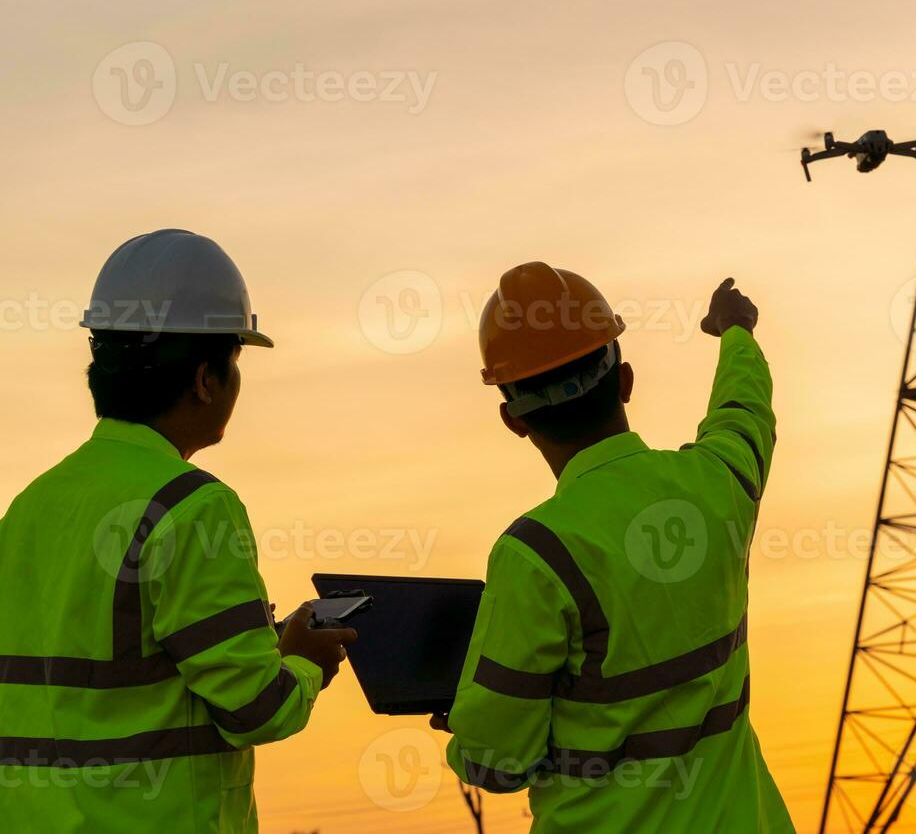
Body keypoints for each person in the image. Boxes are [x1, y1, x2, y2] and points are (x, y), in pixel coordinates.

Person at [0, 229, 356, 833]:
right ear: (204, 379)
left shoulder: (30, 506)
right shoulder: (192, 508)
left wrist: (250, 641)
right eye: (235, 362)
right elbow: (255, 710)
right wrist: (304, 662)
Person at [438, 263, 794, 832]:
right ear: (624, 380)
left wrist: (469, 722)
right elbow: (744, 413)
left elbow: (494, 763)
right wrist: (737, 332)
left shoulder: (537, 553)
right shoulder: (718, 486)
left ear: (514, 420)